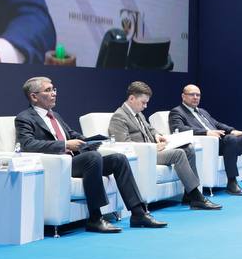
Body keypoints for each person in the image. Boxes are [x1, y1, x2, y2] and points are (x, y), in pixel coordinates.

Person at [14, 76, 166, 232]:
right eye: (48, 90)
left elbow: (71, 134)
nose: (54, 93)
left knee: (118, 159)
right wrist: (65, 145)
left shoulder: (55, 115)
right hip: (57, 165)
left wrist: (89, 141)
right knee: (92, 157)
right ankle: (95, 218)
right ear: (34, 96)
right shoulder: (24, 118)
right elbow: (27, 144)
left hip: (75, 161)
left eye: (54, 89)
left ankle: (138, 213)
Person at [108, 81, 220, 211]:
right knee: (179, 154)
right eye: (143, 102)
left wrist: (157, 136)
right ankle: (196, 197)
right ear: (132, 98)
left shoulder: (138, 114)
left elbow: (150, 129)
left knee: (188, 148)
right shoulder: (119, 117)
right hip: (143, 155)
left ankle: (189, 195)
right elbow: (124, 146)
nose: (145, 106)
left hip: (153, 151)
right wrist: (153, 147)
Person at [169, 84, 242, 195]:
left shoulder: (202, 111)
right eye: (192, 94)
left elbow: (216, 123)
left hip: (223, 143)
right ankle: (232, 182)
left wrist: (232, 130)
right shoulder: (177, 112)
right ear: (183, 96)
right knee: (230, 139)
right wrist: (206, 132)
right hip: (208, 146)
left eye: (198, 95)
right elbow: (179, 129)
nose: (195, 97)